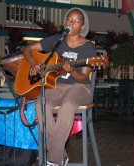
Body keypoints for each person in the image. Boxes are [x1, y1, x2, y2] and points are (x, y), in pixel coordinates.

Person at [22, 7, 96, 166]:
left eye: (76, 21)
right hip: (56, 85)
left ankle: (54, 159)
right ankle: (60, 153)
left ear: (82, 26)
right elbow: (27, 49)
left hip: (80, 87)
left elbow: (83, 78)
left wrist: (72, 71)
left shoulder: (89, 47)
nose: (72, 23)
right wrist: (35, 63)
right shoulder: (56, 40)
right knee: (41, 104)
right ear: (65, 21)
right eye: (70, 19)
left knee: (68, 105)